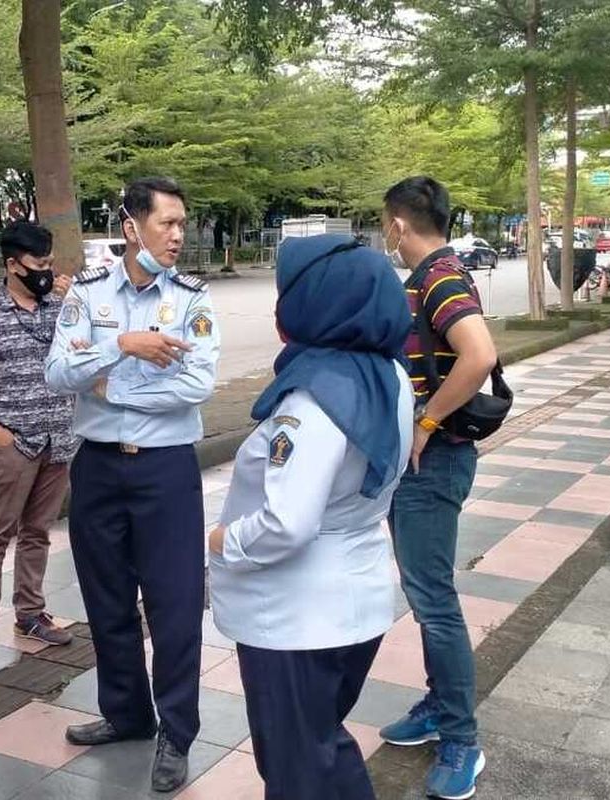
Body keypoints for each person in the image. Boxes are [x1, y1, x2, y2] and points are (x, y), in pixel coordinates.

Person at [207, 234, 413, 800]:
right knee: (318, 748)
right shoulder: (385, 374)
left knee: (300, 766)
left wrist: (224, 539)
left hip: (296, 616)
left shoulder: (315, 399)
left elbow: (287, 524)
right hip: (352, 599)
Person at [44, 176, 219, 793]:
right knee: (106, 598)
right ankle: (126, 714)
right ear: (131, 228)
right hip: (96, 467)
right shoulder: (89, 296)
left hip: (165, 471)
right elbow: (58, 371)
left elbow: (195, 386)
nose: (178, 235)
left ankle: (177, 731)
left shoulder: (193, 299)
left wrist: (113, 385)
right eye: (167, 223)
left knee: (173, 606)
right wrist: (122, 344)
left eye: (181, 223)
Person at [377, 176, 498, 800]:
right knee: (427, 595)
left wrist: (426, 422)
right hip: (424, 466)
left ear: (399, 224)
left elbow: (478, 354)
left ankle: (461, 740)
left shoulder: (439, 276)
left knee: (434, 599)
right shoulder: (438, 273)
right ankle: (436, 706)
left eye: (384, 227)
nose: (386, 238)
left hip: (436, 463)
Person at [0, 220, 78, 667]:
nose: (46, 272)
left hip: (58, 441)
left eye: (49, 263)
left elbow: (86, 353)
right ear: (11, 263)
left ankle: (30, 613)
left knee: (37, 533)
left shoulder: (60, 307)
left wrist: (74, 302)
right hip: (10, 445)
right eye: (38, 264)